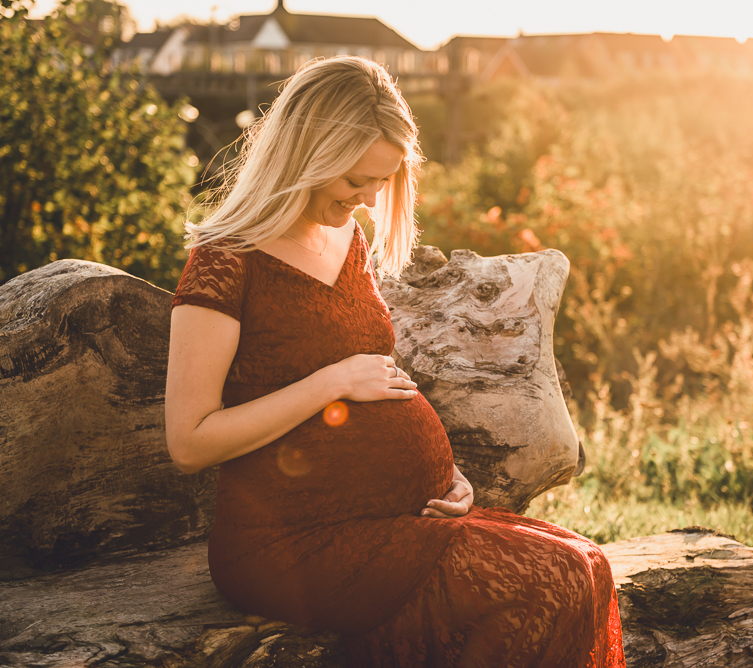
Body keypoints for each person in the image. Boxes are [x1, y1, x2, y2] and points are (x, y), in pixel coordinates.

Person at [165, 56, 625, 667]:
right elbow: (189, 441)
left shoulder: (346, 240)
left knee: (588, 564)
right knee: (550, 582)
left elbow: (376, 386)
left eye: (380, 181)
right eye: (354, 179)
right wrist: (329, 384)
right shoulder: (227, 259)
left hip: (389, 523)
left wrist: (442, 479)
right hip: (291, 545)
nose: (366, 198)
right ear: (305, 154)